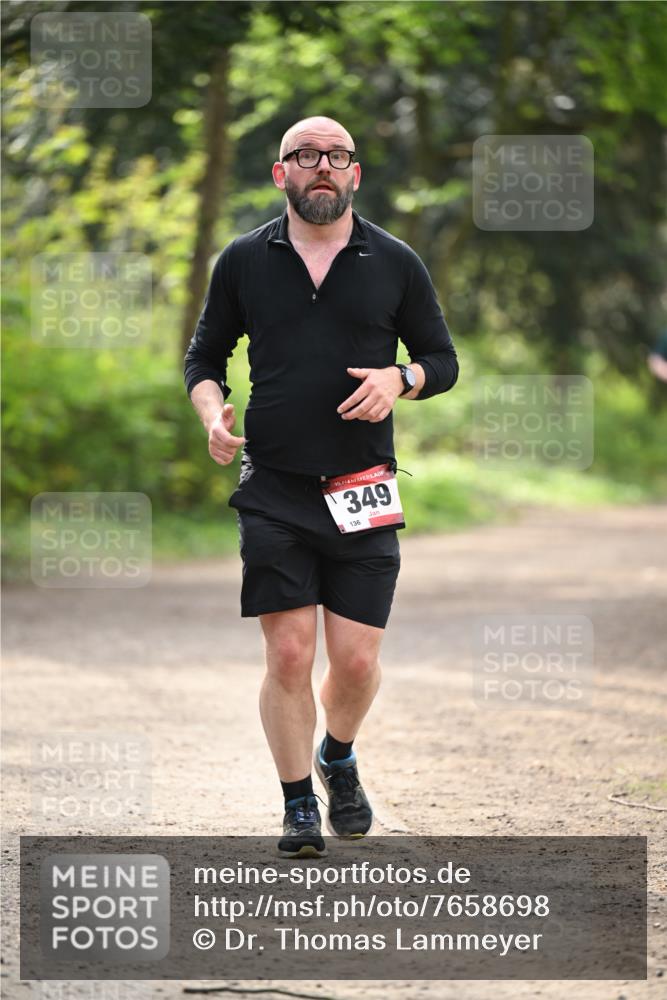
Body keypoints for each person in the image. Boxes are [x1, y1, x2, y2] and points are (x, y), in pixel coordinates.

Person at [184, 116, 458, 857]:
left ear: (355, 174)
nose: (323, 167)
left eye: (337, 156)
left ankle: (336, 755)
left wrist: (401, 377)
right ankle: (298, 804)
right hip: (273, 486)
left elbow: (442, 358)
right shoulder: (244, 260)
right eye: (306, 156)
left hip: (363, 484)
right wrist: (211, 415)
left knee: (358, 662)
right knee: (288, 655)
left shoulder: (394, 261)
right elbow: (204, 358)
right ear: (282, 173)